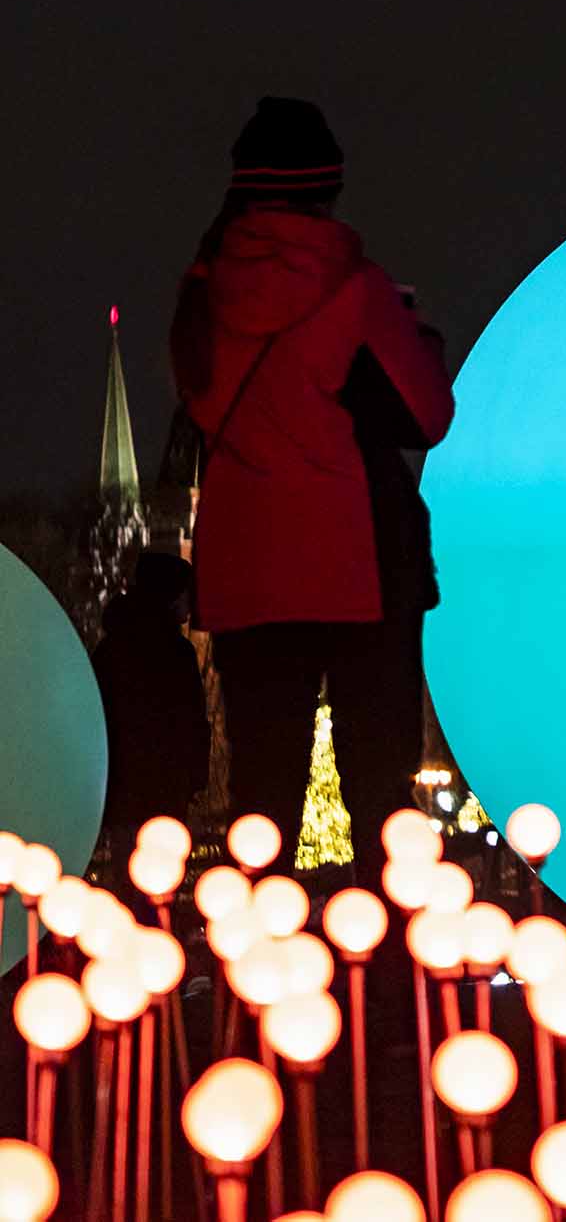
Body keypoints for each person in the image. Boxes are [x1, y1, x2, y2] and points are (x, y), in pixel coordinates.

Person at [170, 97, 455, 891]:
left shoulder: (203, 297)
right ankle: (391, 960)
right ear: (329, 186)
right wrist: (418, 337)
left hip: (248, 575)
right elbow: (429, 414)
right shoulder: (356, 287)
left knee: (261, 805)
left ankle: (252, 960)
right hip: (362, 569)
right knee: (380, 797)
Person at [91, 552, 211, 861]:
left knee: (127, 865)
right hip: (167, 789)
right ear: (170, 595)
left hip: (122, 790)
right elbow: (192, 722)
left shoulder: (110, 650)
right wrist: (195, 777)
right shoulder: (177, 653)